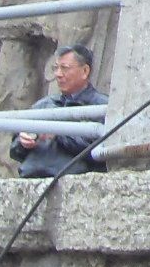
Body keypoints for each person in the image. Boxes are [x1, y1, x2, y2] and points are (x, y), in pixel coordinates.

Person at [9, 44, 108, 178]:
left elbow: (100, 150)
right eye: (56, 68)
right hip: (31, 177)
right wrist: (23, 142)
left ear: (85, 71)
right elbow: (14, 150)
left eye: (65, 68)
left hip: (75, 180)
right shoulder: (44, 105)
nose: (58, 74)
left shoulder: (102, 106)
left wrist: (58, 133)